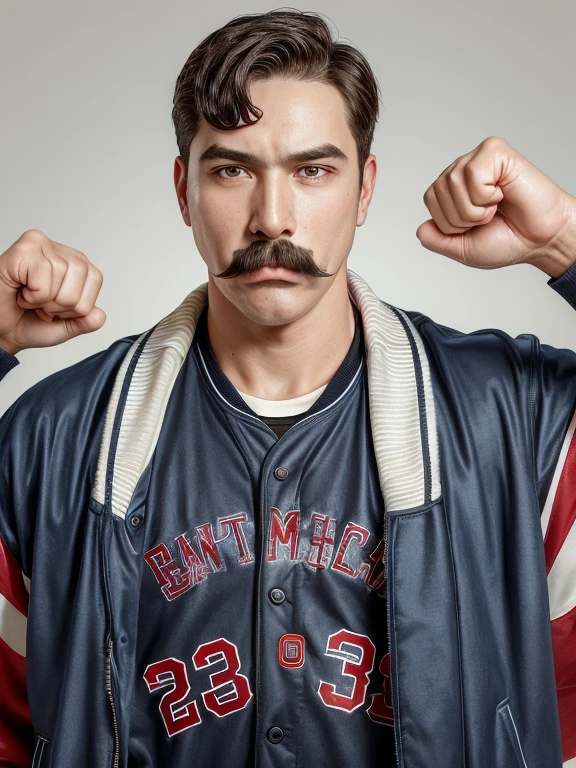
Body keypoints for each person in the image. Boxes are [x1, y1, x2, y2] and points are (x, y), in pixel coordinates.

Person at [0, 8, 574, 768]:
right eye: (232, 169)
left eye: (313, 170)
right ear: (184, 191)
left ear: (365, 188)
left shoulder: (514, 418)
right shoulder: (55, 438)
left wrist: (563, 240)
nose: (273, 217)